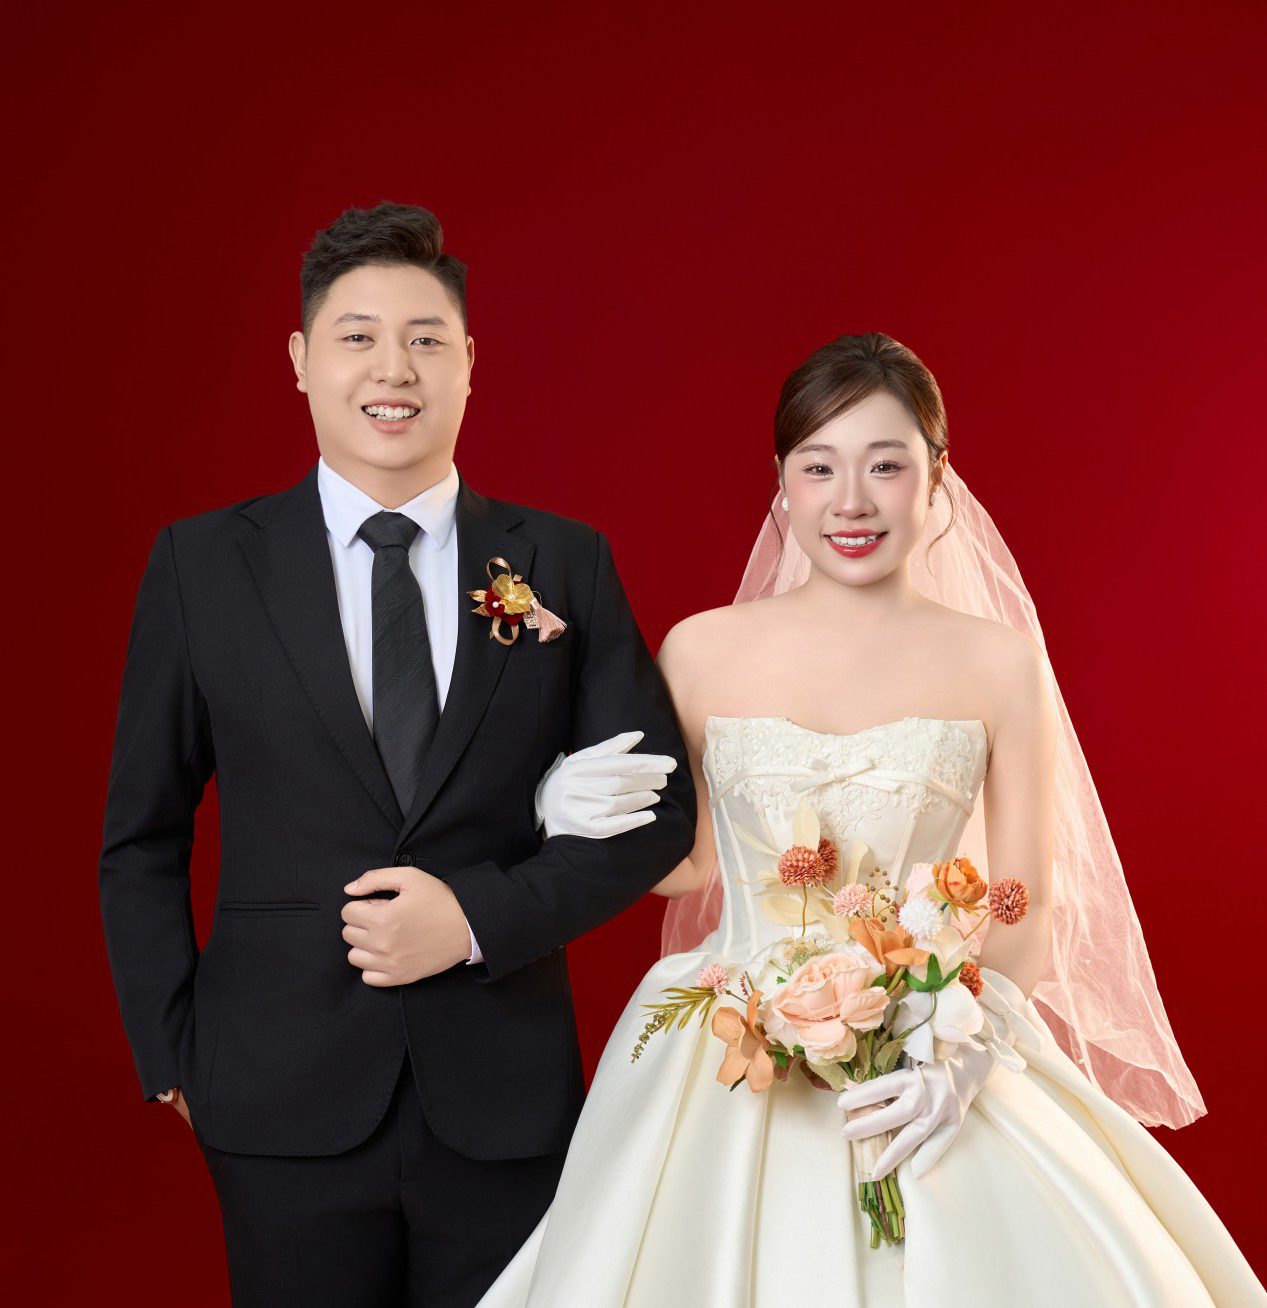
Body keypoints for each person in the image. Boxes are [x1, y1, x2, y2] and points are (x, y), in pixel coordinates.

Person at [477, 332, 1266, 1306]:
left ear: (936, 480)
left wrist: (962, 1044)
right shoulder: (701, 651)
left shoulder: (998, 661)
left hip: (933, 1036)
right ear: (782, 487)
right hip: (730, 1040)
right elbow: (685, 865)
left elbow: (1019, 899)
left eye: (885, 466)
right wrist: (562, 805)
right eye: (819, 467)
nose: (850, 500)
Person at [97, 201, 692, 1307]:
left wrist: (474, 919)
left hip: (502, 1094)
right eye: (358, 336)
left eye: (425, 338)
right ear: (300, 360)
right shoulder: (202, 566)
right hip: (272, 1089)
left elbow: (659, 815)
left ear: (468, 362)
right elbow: (142, 834)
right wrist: (171, 1052)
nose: (393, 368)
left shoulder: (561, 562)